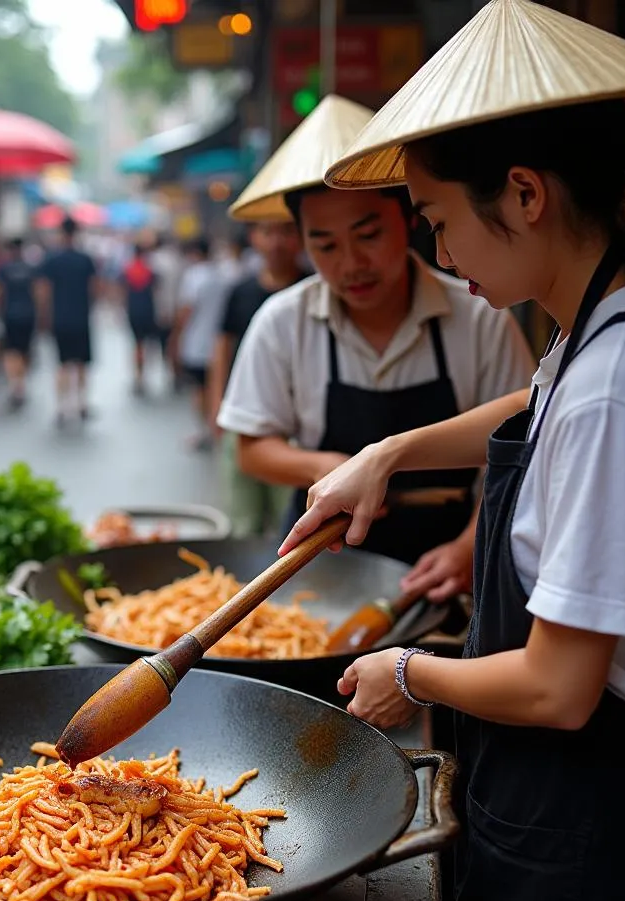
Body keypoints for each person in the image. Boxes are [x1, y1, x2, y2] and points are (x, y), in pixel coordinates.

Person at [280, 3, 625, 901]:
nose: (439, 252)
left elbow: (557, 685)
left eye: (437, 219)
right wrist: (388, 453)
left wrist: (405, 672)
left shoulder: (620, 378)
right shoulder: (601, 325)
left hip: (586, 799)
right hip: (539, 788)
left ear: (524, 195)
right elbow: (533, 401)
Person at [219, 92, 535, 588]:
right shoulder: (282, 320)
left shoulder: (480, 315)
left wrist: (467, 549)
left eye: (368, 235)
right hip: (321, 569)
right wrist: (324, 465)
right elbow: (251, 448)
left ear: (410, 219)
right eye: (325, 245)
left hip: (442, 566)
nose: (350, 264)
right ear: (303, 241)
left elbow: (518, 449)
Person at [210, 219, 309, 537]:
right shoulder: (240, 290)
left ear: (301, 238)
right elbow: (222, 349)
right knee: (243, 520)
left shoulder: (314, 290)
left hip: (296, 425)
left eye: (287, 232)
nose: (277, 242)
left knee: (293, 520)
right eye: (269, 232)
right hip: (243, 418)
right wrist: (217, 407)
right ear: (255, 237)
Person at [170, 237, 242, 451]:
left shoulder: (194, 276)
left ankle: (205, 429)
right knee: (215, 385)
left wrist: (176, 336)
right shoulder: (224, 275)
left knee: (200, 388)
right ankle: (215, 427)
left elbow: (186, 309)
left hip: (198, 341)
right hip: (220, 341)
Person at [35, 217, 98, 426]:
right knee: (81, 363)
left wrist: (44, 316)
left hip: (60, 319)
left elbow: (43, 291)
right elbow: (95, 288)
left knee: (62, 363)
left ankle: (62, 406)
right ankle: (81, 403)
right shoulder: (85, 259)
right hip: (81, 318)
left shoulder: (52, 259)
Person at [0, 237, 37, 410]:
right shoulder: (30, 268)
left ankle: (14, 385)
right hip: (27, 315)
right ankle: (20, 384)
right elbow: (38, 292)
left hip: (10, 315)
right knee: (23, 351)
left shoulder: (3, 269)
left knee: (11, 351)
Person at [121, 243, 159, 396]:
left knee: (136, 344)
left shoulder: (128, 270)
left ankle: (138, 375)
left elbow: (123, 290)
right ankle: (142, 374)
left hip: (133, 310)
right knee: (144, 344)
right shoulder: (149, 270)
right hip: (147, 311)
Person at [148, 233, 184, 387]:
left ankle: (171, 372)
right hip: (176, 307)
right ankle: (174, 374)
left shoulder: (154, 261)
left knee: (163, 342)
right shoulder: (177, 260)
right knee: (173, 341)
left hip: (161, 308)